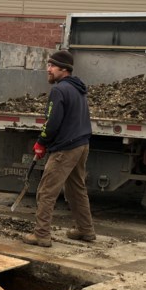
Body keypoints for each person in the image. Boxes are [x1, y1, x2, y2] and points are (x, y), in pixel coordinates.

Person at [22, 50, 97, 248]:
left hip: (66, 148)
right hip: (82, 144)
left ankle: (41, 235)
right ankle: (85, 230)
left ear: (63, 69)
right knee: (76, 189)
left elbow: (52, 122)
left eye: (51, 66)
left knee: (46, 191)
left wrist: (41, 142)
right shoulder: (78, 88)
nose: (48, 69)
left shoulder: (59, 90)